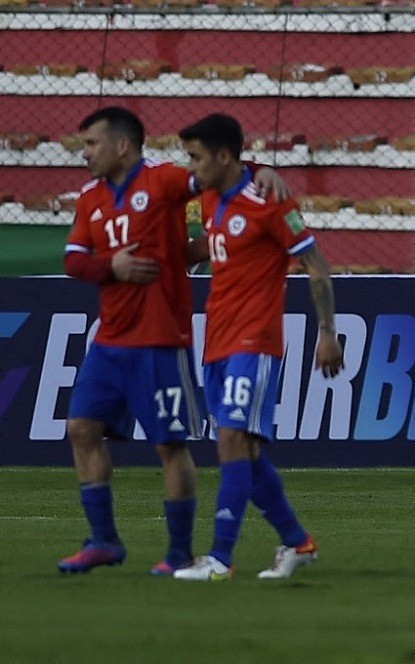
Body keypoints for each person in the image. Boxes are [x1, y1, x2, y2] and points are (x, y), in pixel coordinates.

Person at [57, 106, 286, 576]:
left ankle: (179, 552)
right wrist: (111, 267)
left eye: (92, 144)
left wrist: (260, 169)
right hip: (109, 341)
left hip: (160, 339)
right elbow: (74, 260)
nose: (85, 154)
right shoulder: (90, 198)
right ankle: (104, 541)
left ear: (123, 146)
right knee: (80, 428)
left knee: (169, 446)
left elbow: (217, 172)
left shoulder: (162, 182)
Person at [173, 113, 344, 581]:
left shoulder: (272, 201)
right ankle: (297, 541)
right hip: (217, 340)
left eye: (196, 157)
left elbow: (316, 267)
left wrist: (326, 332)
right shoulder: (209, 196)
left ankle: (220, 560)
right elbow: (210, 246)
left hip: (255, 339)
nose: (191, 166)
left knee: (232, 439)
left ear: (222, 157)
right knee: (241, 450)